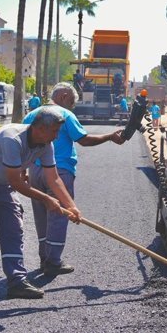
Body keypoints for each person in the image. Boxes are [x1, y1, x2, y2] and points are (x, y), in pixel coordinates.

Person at [0, 106, 81, 300]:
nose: (57, 137)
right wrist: (47, 199)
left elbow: (54, 178)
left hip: (2, 185)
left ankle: (17, 282)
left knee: (13, 229)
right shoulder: (12, 139)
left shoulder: (46, 145)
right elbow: (16, 182)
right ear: (39, 128)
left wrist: (71, 205)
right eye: (54, 132)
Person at [23, 82, 125, 276]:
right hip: (58, 172)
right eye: (70, 101)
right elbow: (84, 140)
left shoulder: (32, 114)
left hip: (35, 172)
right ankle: (53, 262)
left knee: (41, 215)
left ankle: (44, 257)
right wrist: (110, 136)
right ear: (62, 96)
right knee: (59, 216)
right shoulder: (65, 115)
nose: (71, 107)